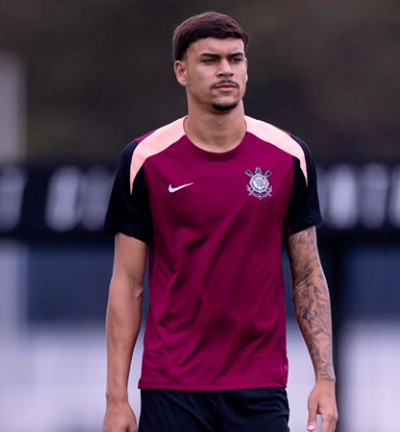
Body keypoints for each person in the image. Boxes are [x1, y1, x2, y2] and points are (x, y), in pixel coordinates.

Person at [102, 11, 337, 432]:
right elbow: (128, 284)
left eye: (236, 59)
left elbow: (307, 276)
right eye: (210, 60)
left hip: (260, 388)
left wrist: (325, 378)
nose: (225, 70)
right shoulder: (143, 160)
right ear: (181, 71)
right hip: (171, 386)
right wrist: (116, 398)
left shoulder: (289, 157)